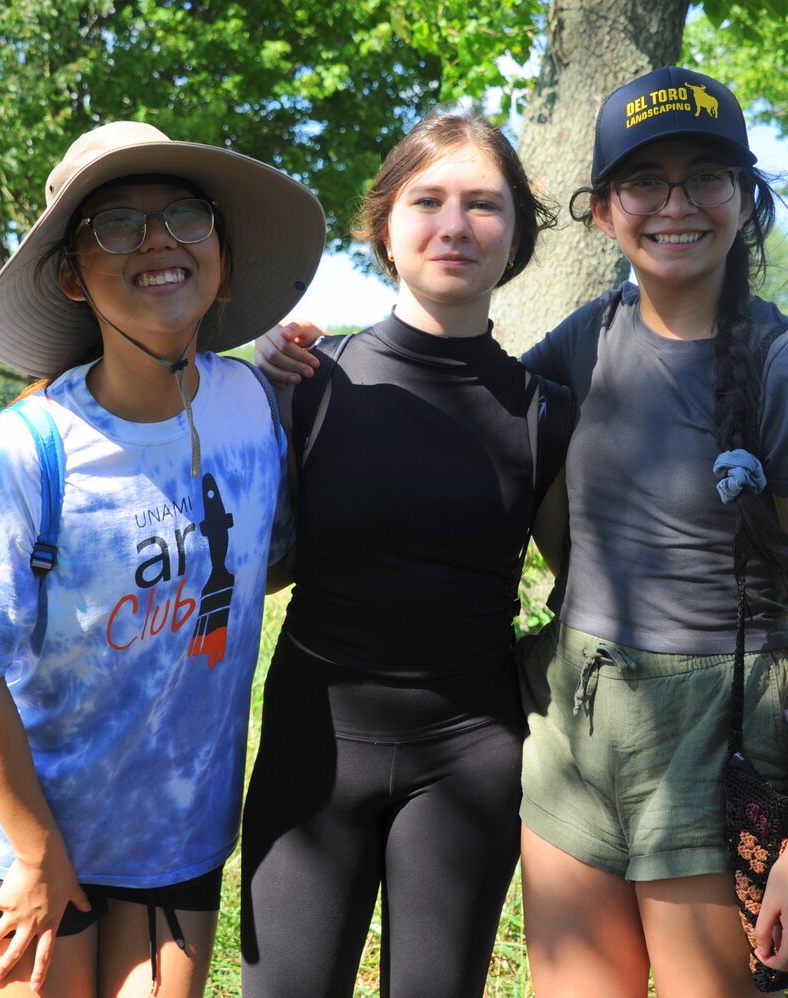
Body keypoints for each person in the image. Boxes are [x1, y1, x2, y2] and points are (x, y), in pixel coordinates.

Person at [0, 120, 323, 998]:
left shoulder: (256, 405)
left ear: (219, 250)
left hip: (175, 830)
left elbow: (266, 561)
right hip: (27, 835)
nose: (156, 240)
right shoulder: (21, 455)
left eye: (184, 214)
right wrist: (34, 855)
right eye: (116, 223)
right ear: (72, 273)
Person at [512, 67, 788, 997]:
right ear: (602, 211)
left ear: (745, 197)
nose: (676, 205)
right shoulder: (583, 341)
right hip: (571, 725)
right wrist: (300, 365)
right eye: (644, 181)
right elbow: (463, 404)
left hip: (720, 738)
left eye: (706, 176)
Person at [241, 113, 572, 998]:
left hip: (471, 757)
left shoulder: (545, 412)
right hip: (315, 749)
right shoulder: (310, 381)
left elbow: (596, 586)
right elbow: (254, 568)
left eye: (482, 205)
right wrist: (262, 394)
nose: (454, 227)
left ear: (516, 233)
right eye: (427, 201)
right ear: (385, 225)